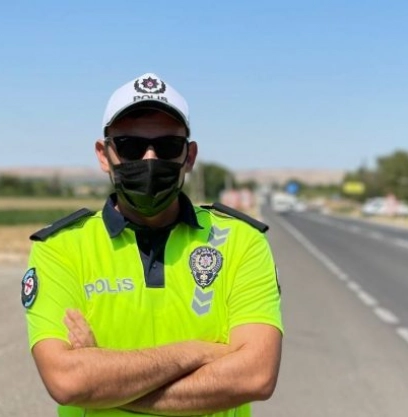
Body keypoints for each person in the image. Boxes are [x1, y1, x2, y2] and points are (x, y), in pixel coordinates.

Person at [21, 72, 283, 417]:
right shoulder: (61, 248)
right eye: (130, 146)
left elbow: (255, 376)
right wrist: (198, 353)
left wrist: (104, 384)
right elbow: (68, 382)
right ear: (104, 155)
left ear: (189, 156)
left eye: (167, 146)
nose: (149, 159)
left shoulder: (241, 241)